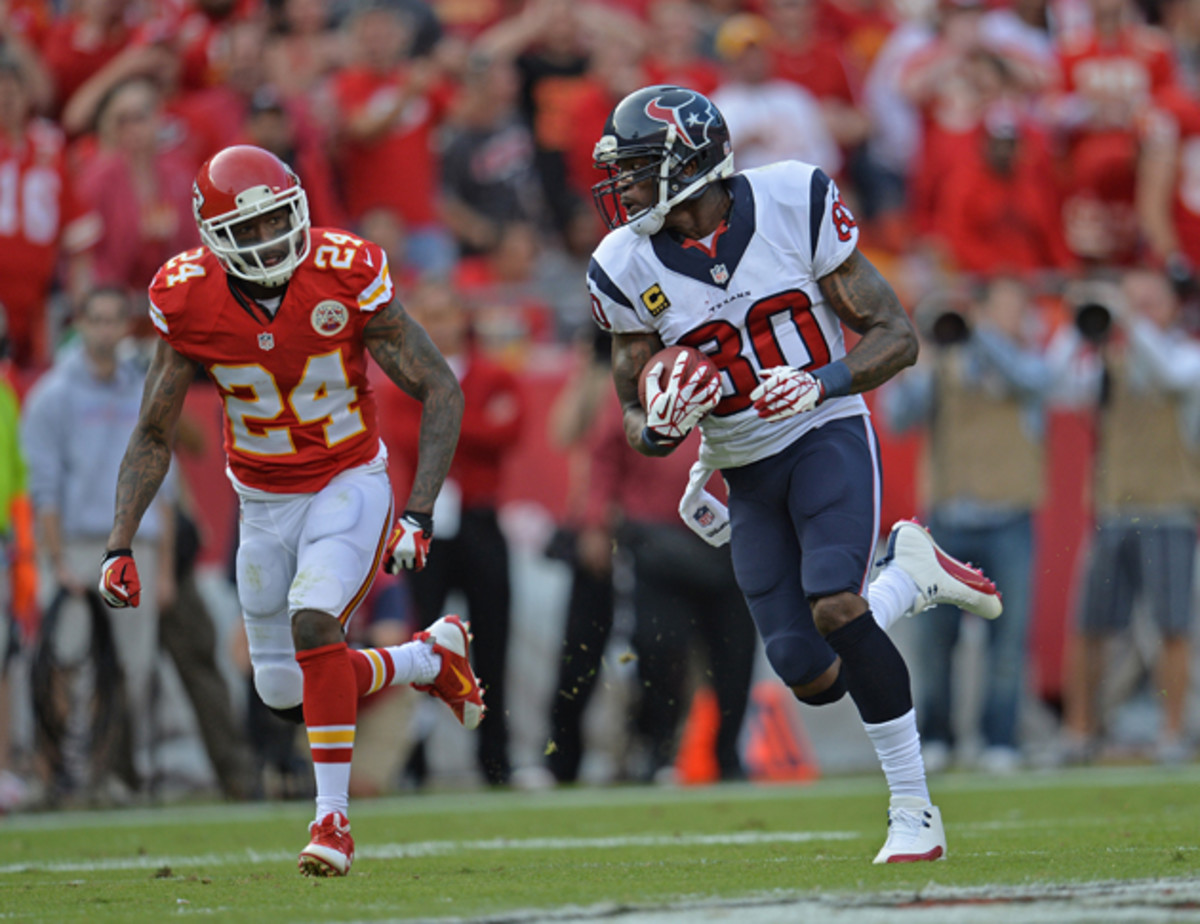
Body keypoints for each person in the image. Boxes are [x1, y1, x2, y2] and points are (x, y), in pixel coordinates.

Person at [586, 85, 1003, 863]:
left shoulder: (790, 199)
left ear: (692, 165)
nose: (629, 188)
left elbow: (895, 336)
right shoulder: (622, 266)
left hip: (822, 432)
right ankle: (907, 579)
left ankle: (914, 812)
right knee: (809, 671)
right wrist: (663, 424)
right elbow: (634, 421)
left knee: (837, 606)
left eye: (642, 169)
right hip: (743, 465)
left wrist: (823, 382)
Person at [96, 144, 478, 877]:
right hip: (261, 500)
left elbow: (440, 387)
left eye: (278, 219)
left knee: (314, 622)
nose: (269, 240)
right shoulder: (187, 297)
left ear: (299, 208)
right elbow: (151, 430)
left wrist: (419, 513)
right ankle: (425, 657)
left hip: (347, 481)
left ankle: (331, 822)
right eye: (249, 228)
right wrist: (120, 543)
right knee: (282, 689)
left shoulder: (345, 270)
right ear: (211, 236)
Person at [881, 277, 1057, 773]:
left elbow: (1030, 379)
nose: (1003, 319)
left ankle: (1000, 737)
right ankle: (937, 734)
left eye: (1010, 310)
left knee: (1007, 640)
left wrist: (979, 335)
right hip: (950, 517)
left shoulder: (1032, 361)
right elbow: (896, 418)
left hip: (1010, 516)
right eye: (996, 308)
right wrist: (926, 360)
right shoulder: (946, 361)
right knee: (936, 640)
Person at [377, 278, 525, 786]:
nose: (438, 325)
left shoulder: (491, 374)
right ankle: (412, 761)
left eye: (446, 314)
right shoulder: (405, 375)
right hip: (426, 523)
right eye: (430, 315)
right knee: (421, 644)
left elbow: (512, 429)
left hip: (480, 520)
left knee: (494, 642)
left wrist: (443, 419)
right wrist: (469, 422)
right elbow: (404, 437)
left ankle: (496, 759)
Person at [1060, 270, 1200, 765]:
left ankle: (1172, 731)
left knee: (1172, 627)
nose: (1137, 311)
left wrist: (1128, 317)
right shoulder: (1104, 362)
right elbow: (1057, 382)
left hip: (1169, 509)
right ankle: (1078, 732)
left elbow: (1169, 375)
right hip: (1114, 509)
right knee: (1090, 625)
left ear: (1170, 308)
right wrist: (1078, 321)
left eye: (1149, 302)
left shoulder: (1187, 354)